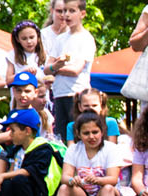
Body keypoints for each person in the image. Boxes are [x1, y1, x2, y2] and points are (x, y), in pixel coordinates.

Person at [42, 111, 125, 196]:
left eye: (95, 132)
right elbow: (65, 177)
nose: (91, 137)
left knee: (108, 189)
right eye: (86, 133)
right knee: (64, 188)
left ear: (102, 132)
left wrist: (98, 180)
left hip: (104, 194)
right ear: (79, 134)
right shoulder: (74, 149)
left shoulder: (111, 149)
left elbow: (113, 179)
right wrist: (72, 180)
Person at [43, 0, 95, 141]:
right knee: (61, 137)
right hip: (59, 94)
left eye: (72, 11)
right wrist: (55, 67)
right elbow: (47, 68)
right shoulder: (60, 39)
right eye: (64, 10)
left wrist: (56, 68)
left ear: (82, 13)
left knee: (78, 136)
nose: (67, 15)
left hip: (77, 95)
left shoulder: (86, 38)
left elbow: (76, 70)